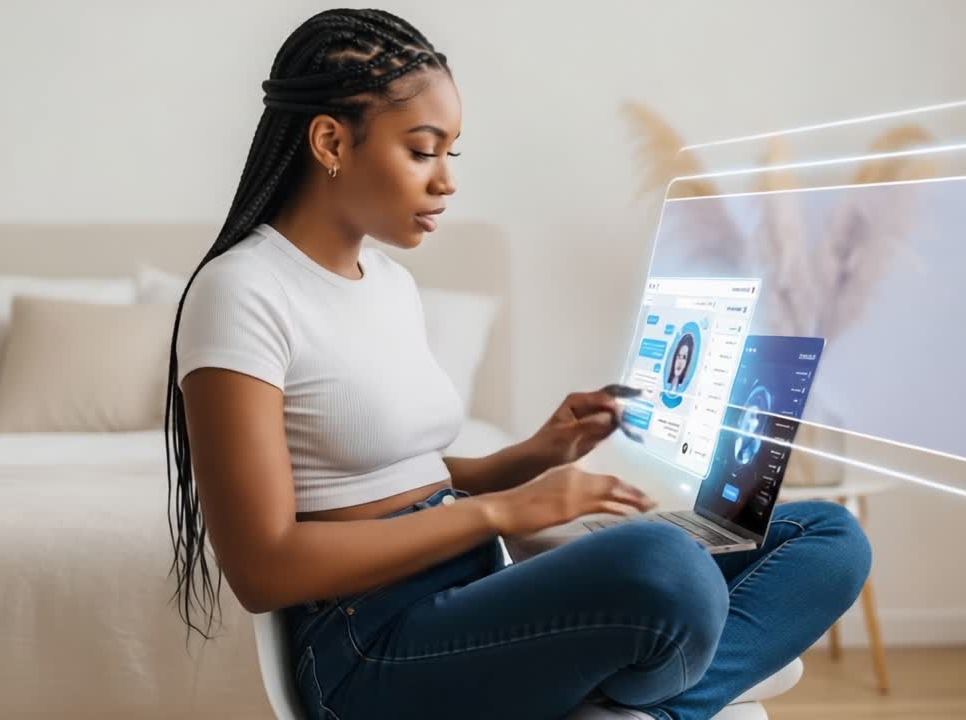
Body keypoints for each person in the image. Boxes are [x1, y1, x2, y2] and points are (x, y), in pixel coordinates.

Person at [166, 9, 871, 720]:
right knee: (669, 569)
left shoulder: (388, 284)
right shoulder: (242, 292)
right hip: (368, 645)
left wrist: (537, 453)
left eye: (453, 154)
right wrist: (504, 510)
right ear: (330, 141)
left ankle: (638, 711)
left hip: (472, 589)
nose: (447, 181)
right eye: (422, 151)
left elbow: (406, 477)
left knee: (830, 539)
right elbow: (264, 567)